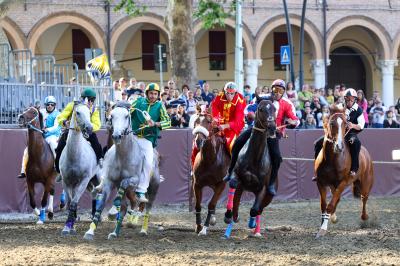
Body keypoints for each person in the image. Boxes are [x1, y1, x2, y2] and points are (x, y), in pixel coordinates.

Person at [223, 79, 299, 196]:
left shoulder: (287, 104)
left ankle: (271, 183)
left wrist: (292, 121)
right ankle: (230, 171)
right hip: (256, 129)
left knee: (277, 158)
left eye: (280, 90)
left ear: (283, 92)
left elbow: (296, 120)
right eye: (275, 89)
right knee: (237, 143)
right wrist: (251, 115)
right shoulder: (262, 97)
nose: (277, 92)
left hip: (272, 133)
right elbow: (248, 109)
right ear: (272, 89)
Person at [313, 88, 365, 180]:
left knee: (356, 143)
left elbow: (361, 125)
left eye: (352, 99)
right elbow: (330, 118)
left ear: (355, 100)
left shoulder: (359, 110)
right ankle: (317, 171)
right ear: (345, 98)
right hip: (336, 133)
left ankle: (354, 168)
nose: (349, 101)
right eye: (347, 99)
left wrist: (352, 125)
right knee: (318, 143)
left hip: (350, 133)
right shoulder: (339, 107)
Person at [130, 83, 171, 202]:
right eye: (151, 93)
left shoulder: (160, 105)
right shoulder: (138, 102)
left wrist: (155, 123)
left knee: (148, 163)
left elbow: (167, 122)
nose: (153, 96)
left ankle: (141, 190)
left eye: (155, 94)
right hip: (132, 136)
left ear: (158, 95)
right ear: (147, 93)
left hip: (147, 139)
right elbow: (128, 111)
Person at [191, 82, 245, 167]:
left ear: (235, 93)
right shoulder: (219, 96)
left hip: (233, 128)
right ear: (224, 91)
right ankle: (193, 166)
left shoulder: (240, 102)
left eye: (232, 93)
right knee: (198, 141)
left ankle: (235, 169)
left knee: (231, 145)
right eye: (227, 93)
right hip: (219, 124)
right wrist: (215, 119)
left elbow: (237, 121)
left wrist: (225, 126)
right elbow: (214, 108)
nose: (229, 96)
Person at [54, 88, 103, 173]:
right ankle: (58, 168)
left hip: (86, 131)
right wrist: (65, 122)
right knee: (60, 145)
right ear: (82, 98)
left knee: (96, 143)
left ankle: (100, 159)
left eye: (92, 100)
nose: (90, 102)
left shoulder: (94, 109)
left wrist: (89, 127)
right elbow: (60, 117)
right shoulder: (73, 105)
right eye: (87, 99)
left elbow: (97, 124)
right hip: (71, 130)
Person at [17, 96, 61, 179]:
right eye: (48, 104)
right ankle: (23, 171)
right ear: (45, 105)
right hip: (41, 136)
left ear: (55, 105)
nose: (50, 106)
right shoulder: (41, 112)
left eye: (52, 104)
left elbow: (56, 127)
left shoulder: (58, 114)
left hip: (52, 136)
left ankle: (57, 167)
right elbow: (34, 117)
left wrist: (47, 130)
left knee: (53, 145)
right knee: (26, 150)